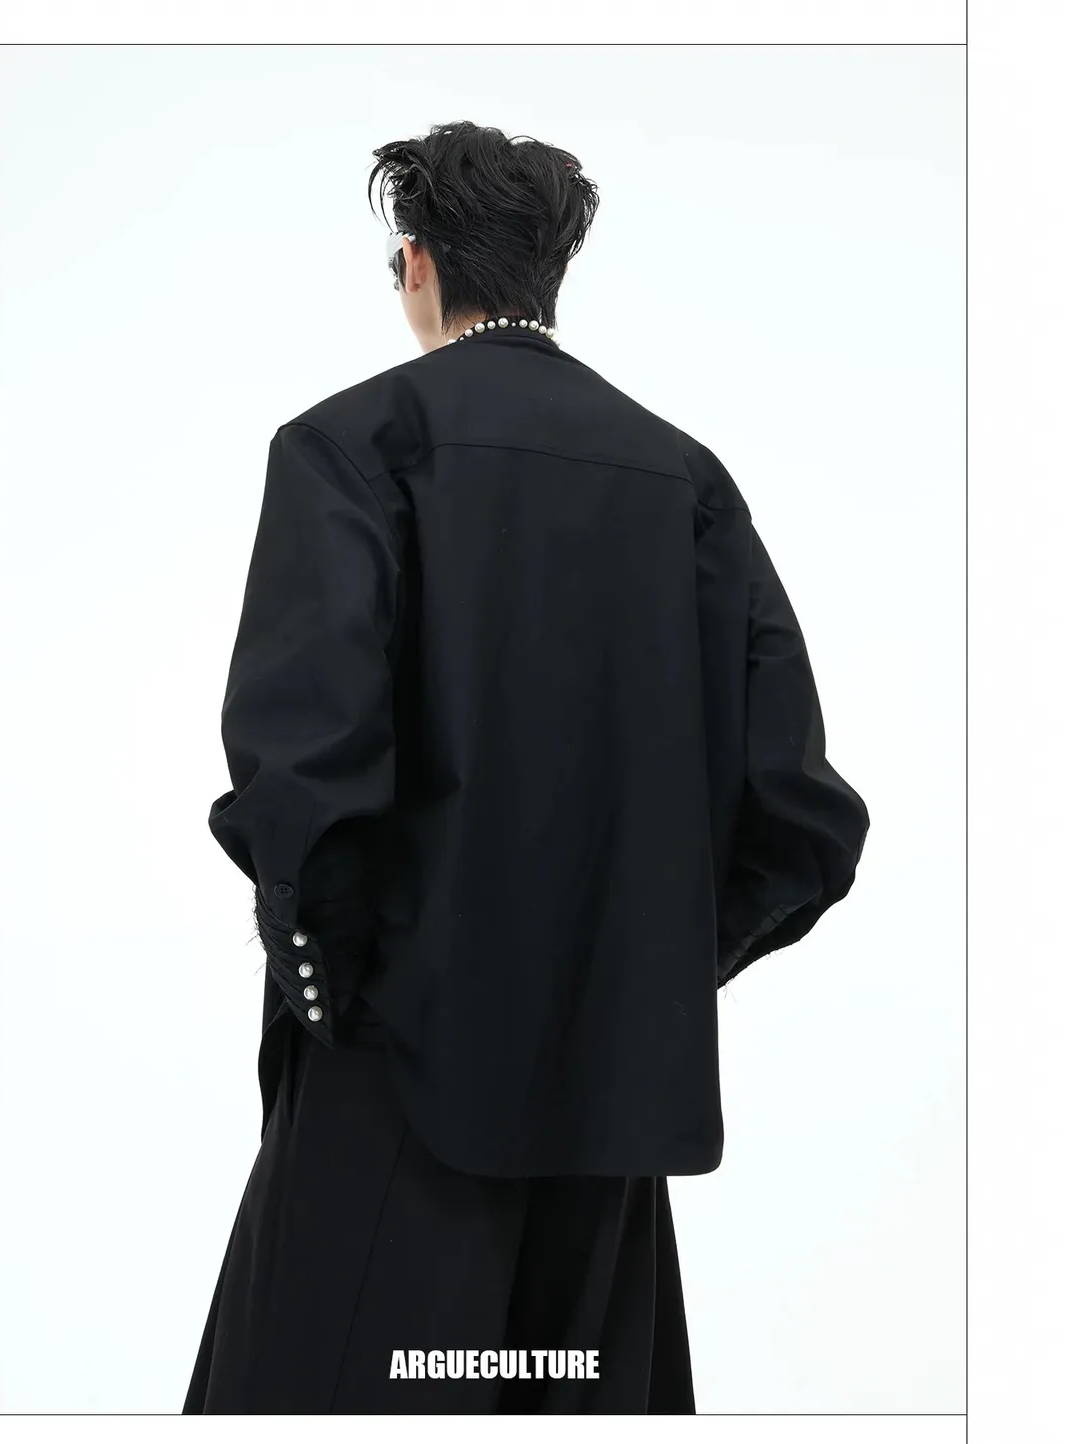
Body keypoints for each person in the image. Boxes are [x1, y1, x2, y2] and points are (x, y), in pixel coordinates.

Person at [182, 119, 870, 1416]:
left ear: (417, 265)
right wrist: (628, 974)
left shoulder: (348, 447)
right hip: (605, 1112)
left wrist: (345, 990)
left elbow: (302, 775)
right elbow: (798, 819)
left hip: (394, 1086)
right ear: (555, 271)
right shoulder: (685, 480)